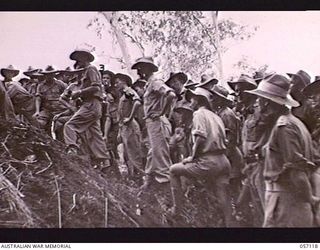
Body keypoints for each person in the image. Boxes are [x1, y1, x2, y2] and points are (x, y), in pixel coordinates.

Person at [246, 74, 319, 227]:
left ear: (267, 102)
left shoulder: (284, 127)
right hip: (291, 202)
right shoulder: (295, 123)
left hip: (286, 202)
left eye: (260, 99)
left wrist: (310, 199)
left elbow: (297, 172)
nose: (258, 103)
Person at [169, 87, 234, 226]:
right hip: (223, 160)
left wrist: (192, 156)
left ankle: (177, 211)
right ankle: (230, 224)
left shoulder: (198, 114)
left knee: (173, 170)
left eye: (192, 99)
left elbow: (200, 137)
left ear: (198, 100)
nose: (190, 102)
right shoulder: (216, 116)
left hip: (209, 161)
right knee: (223, 195)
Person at [131, 57, 176, 190]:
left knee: (160, 154)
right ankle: (149, 181)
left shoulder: (155, 82)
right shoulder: (149, 83)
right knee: (153, 152)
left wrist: (161, 112)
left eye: (142, 67)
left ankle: (167, 187)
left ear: (149, 68)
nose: (140, 70)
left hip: (156, 121)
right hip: (151, 122)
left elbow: (171, 94)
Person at [64, 49, 111, 169]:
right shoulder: (86, 72)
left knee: (69, 126)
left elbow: (96, 87)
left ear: (84, 58)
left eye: (79, 59)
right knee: (95, 134)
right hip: (92, 104)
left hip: (91, 104)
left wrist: (79, 93)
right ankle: (105, 163)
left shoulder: (91, 69)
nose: (77, 62)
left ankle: (72, 149)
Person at [209, 84, 244, 202]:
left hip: (232, 156)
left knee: (234, 186)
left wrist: (226, 157)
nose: (211, 99)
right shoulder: (219, 113)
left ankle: (242, 213)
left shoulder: (227, 114)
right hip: (227, 155)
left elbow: (231, 139)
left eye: (214, 97)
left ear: (220, 99)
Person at [114, 73, 144, 179]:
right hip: (124, 127)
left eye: (117, 82)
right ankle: (134, 177)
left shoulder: (128, 91)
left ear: (124, 82)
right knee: (128, 153)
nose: (115, 85)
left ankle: (142, 177)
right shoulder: (123, 95)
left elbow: (137, 102)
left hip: (130, 125)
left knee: (135, 152)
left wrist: (130, 118)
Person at [33, 65, 68, 133]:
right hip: (47, 109)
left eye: (51, 74)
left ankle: (61, 142)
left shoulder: (60, 84)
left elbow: (68, 96)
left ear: (54, 74)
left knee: (59, 125)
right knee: (39, 123)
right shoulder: (41, 85)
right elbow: (38, 98)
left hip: (59, 109)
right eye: (47, 75)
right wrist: (37, 111)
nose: (49, 76)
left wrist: (67, 108)